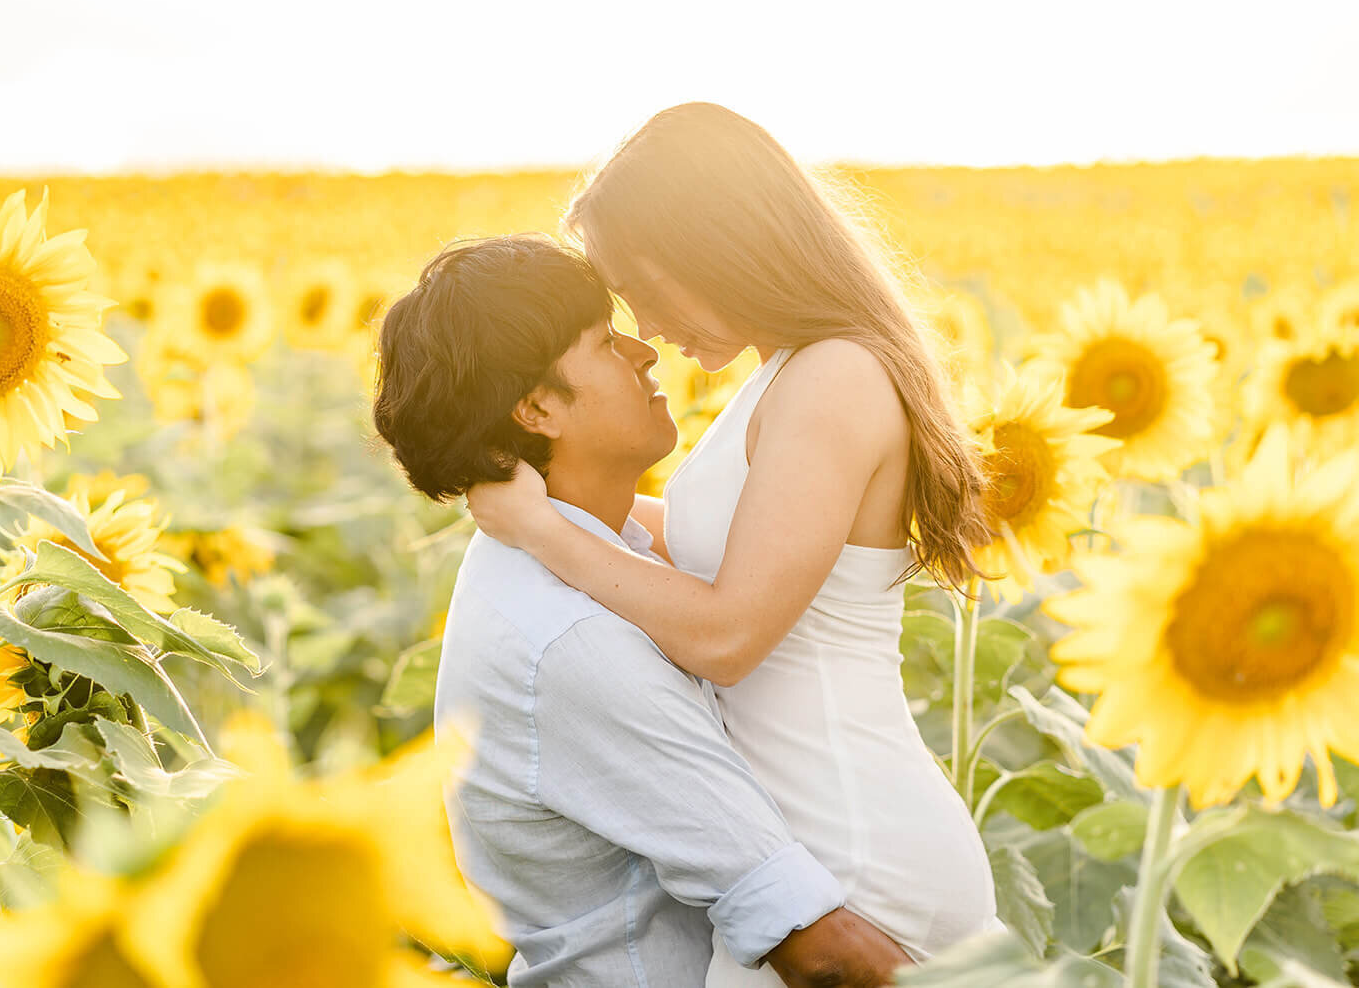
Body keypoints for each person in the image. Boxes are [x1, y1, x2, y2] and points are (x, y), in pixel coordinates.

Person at [465, 103, 1005, 979]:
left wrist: (543, 532)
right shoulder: (788, 374)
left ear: (714, 248)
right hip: (819, 839)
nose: (642, 324)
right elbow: (717, 547)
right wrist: (553, 492)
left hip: (855, 855)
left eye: (639, 286)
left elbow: (727, 633)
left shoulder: (833, 376)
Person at [372, 235, 910, 987]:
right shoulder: (571, 641)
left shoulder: (577, 553)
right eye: (604, 341)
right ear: (537, 407)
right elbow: (820, 949)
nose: (646, 351)